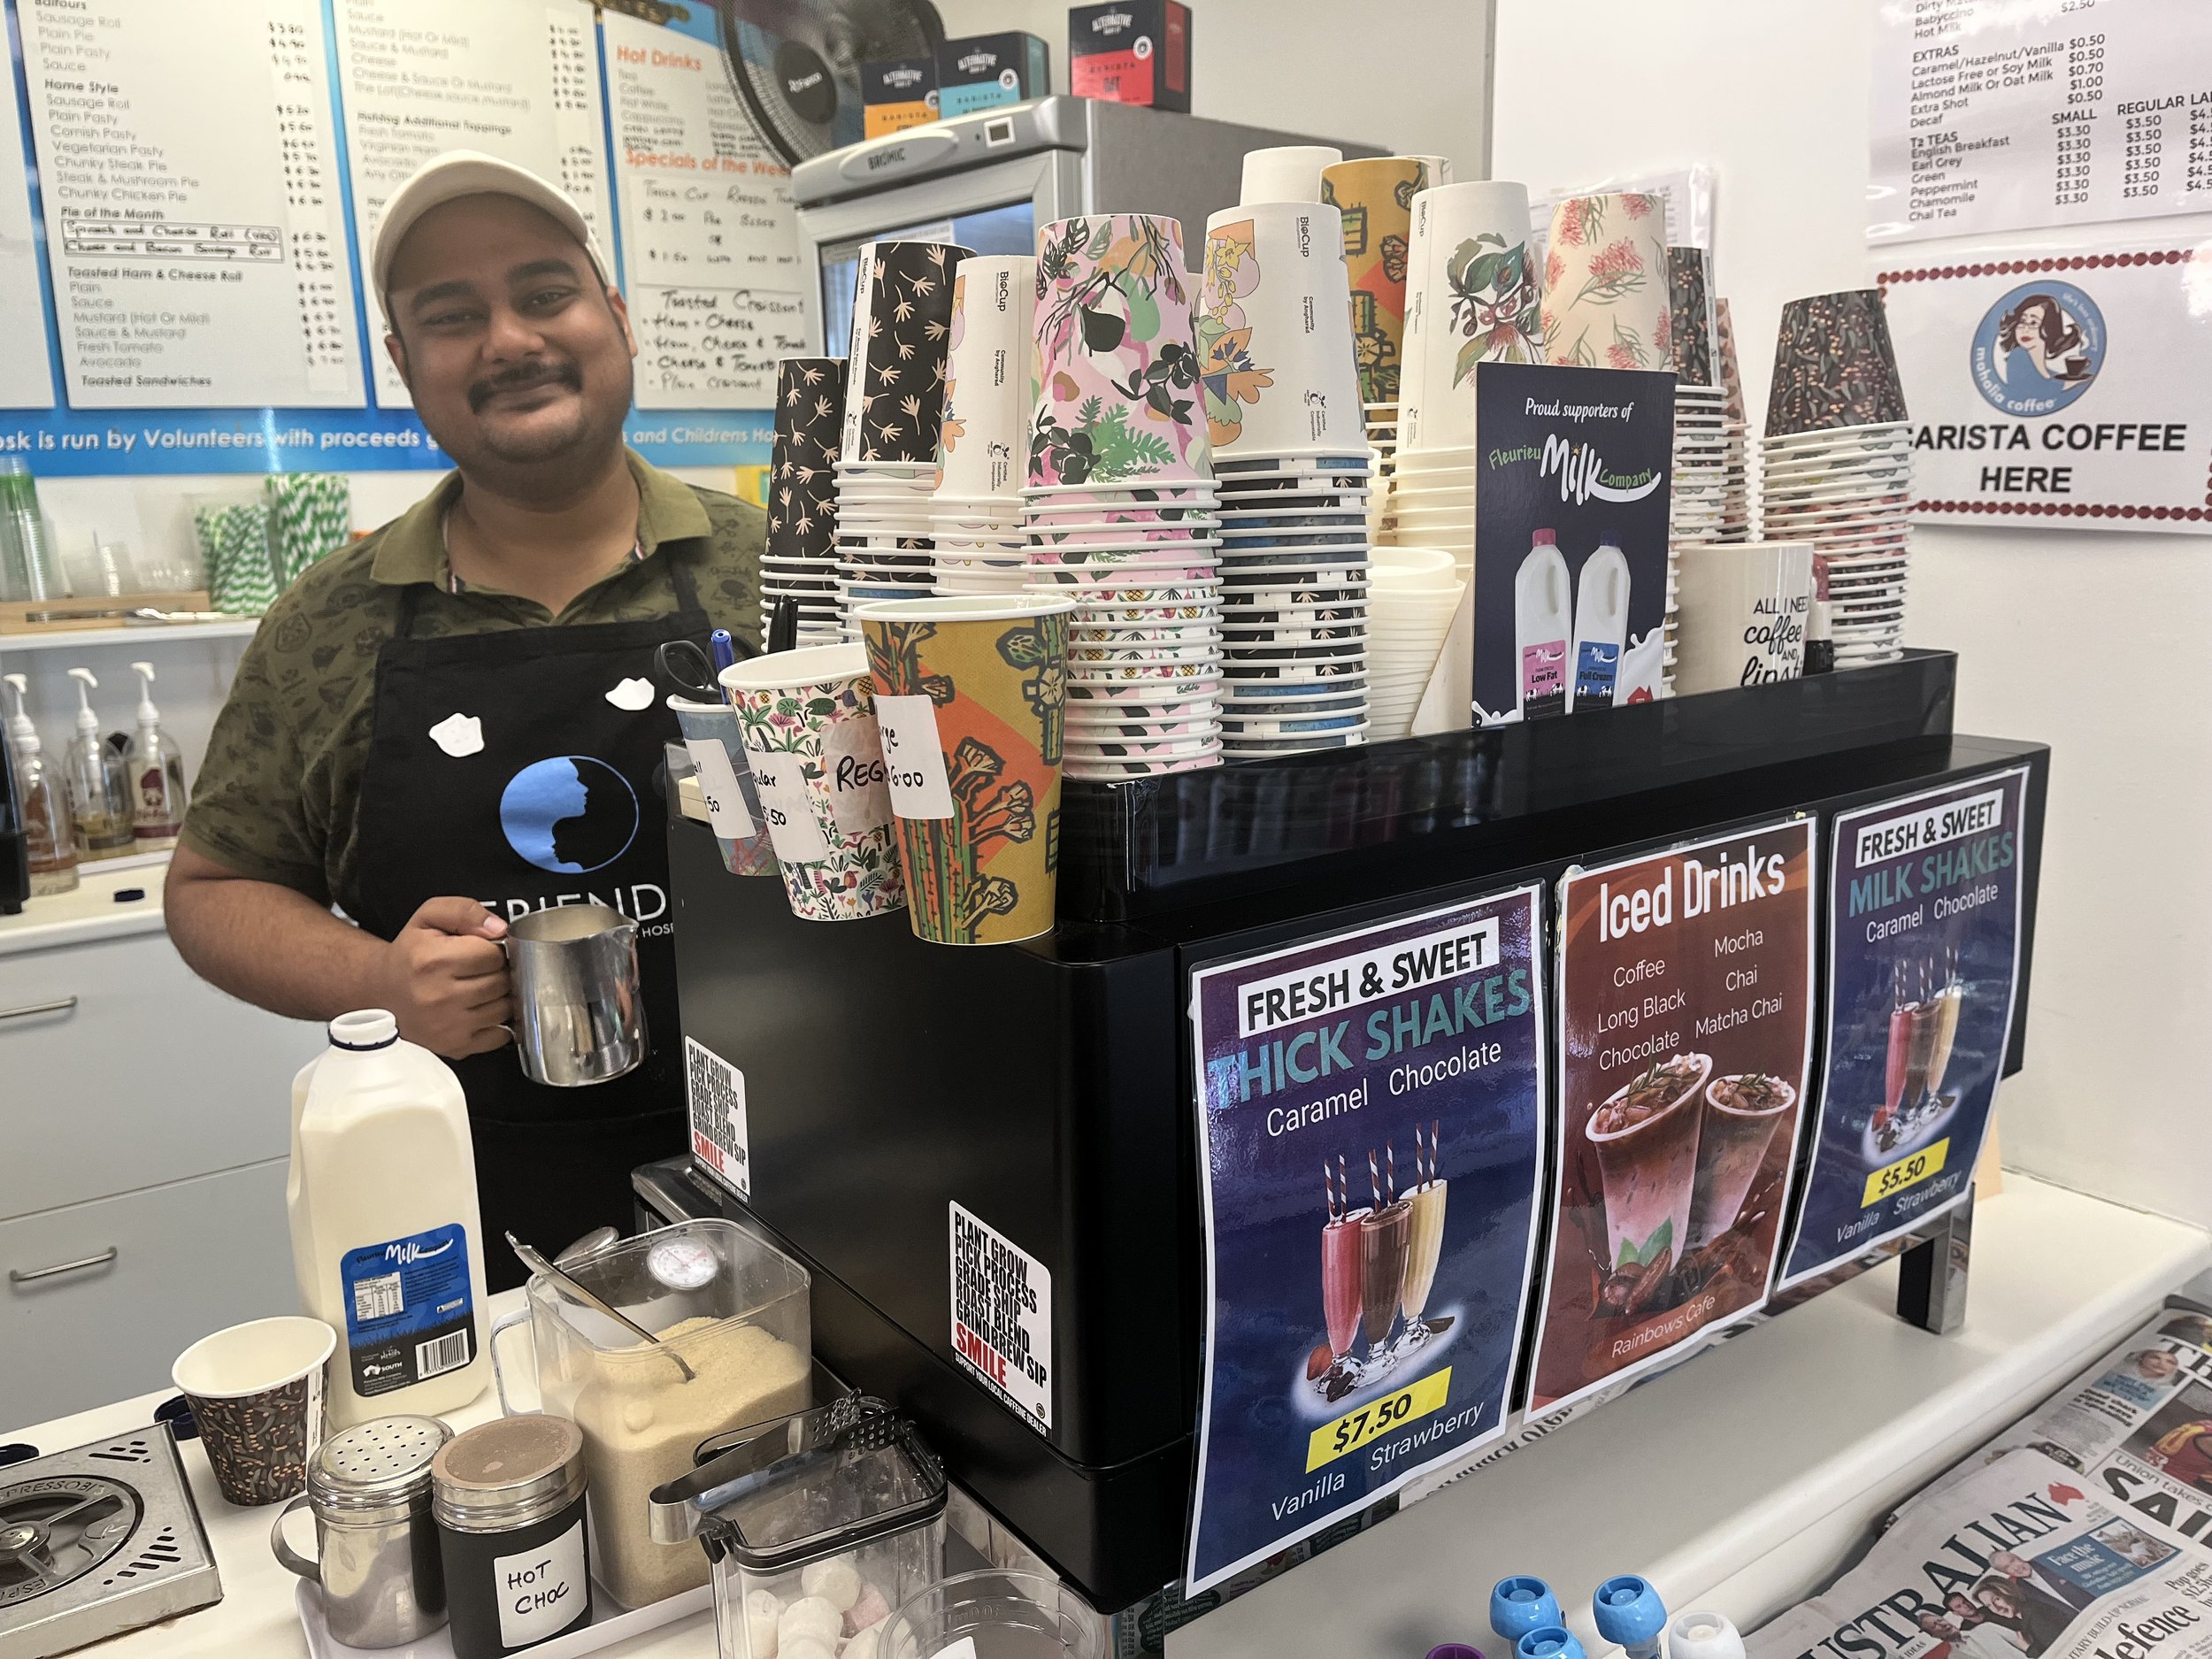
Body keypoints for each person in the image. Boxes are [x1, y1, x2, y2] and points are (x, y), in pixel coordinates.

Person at [167, 152, 764, 1287]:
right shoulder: (327, 627)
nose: (509, 339)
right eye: (452, 316)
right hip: (461, 1223)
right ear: (404, 363)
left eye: (545, 293)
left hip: (793, 1189)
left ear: (617, 317)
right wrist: (380, 983)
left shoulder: (780, 574)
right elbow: (212, 889)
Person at [1996, 295, 2082, 388]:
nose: (2025, 329)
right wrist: (2071, 383)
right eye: (2022, 321)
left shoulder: (2051, 374)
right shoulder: (2018, 356)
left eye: (2033, 323)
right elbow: (2027, 391)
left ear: (2049, 328)